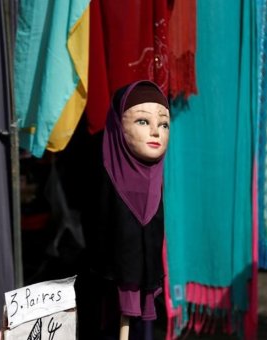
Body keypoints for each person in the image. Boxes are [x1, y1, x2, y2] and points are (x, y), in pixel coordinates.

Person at [74, 80, 171, 339]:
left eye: (163, 124)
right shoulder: (99, 170)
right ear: (119, 125)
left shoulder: (157, 179)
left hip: (142, 290)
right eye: (142, 121)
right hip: (104, 296)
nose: (156, 132)